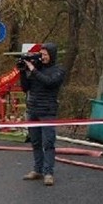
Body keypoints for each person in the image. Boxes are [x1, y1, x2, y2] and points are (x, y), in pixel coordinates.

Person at [19, 43, 66, 186]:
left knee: (48, 142)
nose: (43, 57)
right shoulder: (37, 69)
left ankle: (48, 172)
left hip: (47, 111)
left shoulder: (58, 70)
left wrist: (33, 70)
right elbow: (25, 88)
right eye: (41, 54)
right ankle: (37, 169)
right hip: (33, 109)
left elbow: (49, 82)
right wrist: (23, 71)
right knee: (35, 142)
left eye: (45, 54)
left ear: (52, 55)